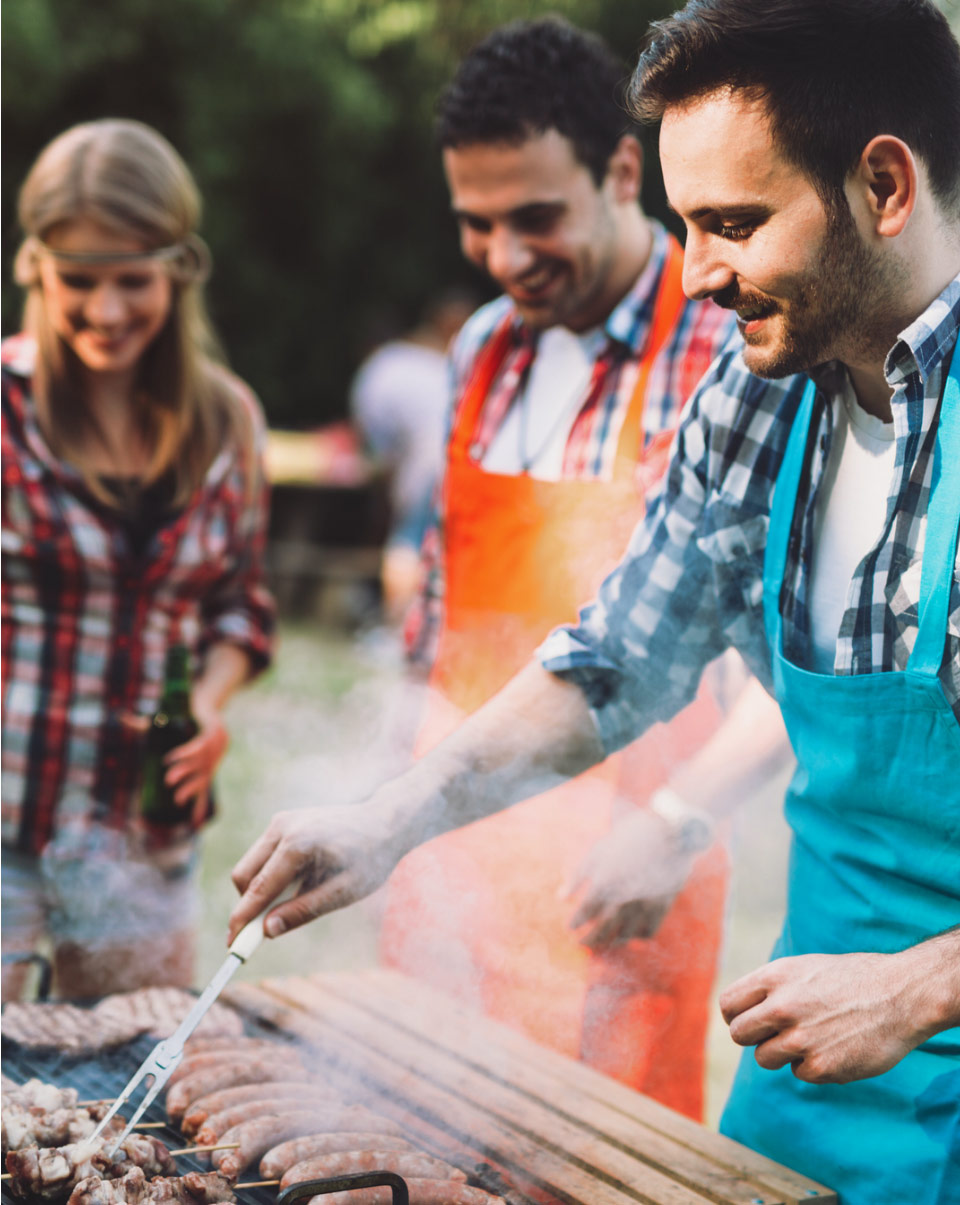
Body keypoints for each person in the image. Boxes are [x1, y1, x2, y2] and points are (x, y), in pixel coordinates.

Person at [229, 0, 960, 1198]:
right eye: (684, 226)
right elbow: (623, 654)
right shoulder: (762, 387)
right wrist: (391, 815)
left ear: (884, 184)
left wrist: (923, 984)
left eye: (732, 223)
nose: (696, 275)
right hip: (812, 1060)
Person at [389, 18, 790, 1121]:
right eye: (476, 226)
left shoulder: (729, 347)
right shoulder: (480, 348)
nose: (507, 257)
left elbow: (796, 663)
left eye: (536, 217)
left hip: (623, 864)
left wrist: (675, 817)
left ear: (623, 171)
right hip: (454, 861)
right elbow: (437, 612)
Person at [2, 119, 276, 1002]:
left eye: (133, 279)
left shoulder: (227, 420)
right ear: (34, 265)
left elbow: (242, 605)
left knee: (122, 1102)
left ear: (179, 269)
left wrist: (205, 704)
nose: (107, 310)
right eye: (79, 280)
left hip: (143, 847)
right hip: (6, 828)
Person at [349, 291, 475, 622]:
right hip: (463, 461)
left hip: (426, 465)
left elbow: (376, 436)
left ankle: (398, 628)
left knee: (408, 541)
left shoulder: (388, 365)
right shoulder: (446, 365)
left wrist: (386, 471)